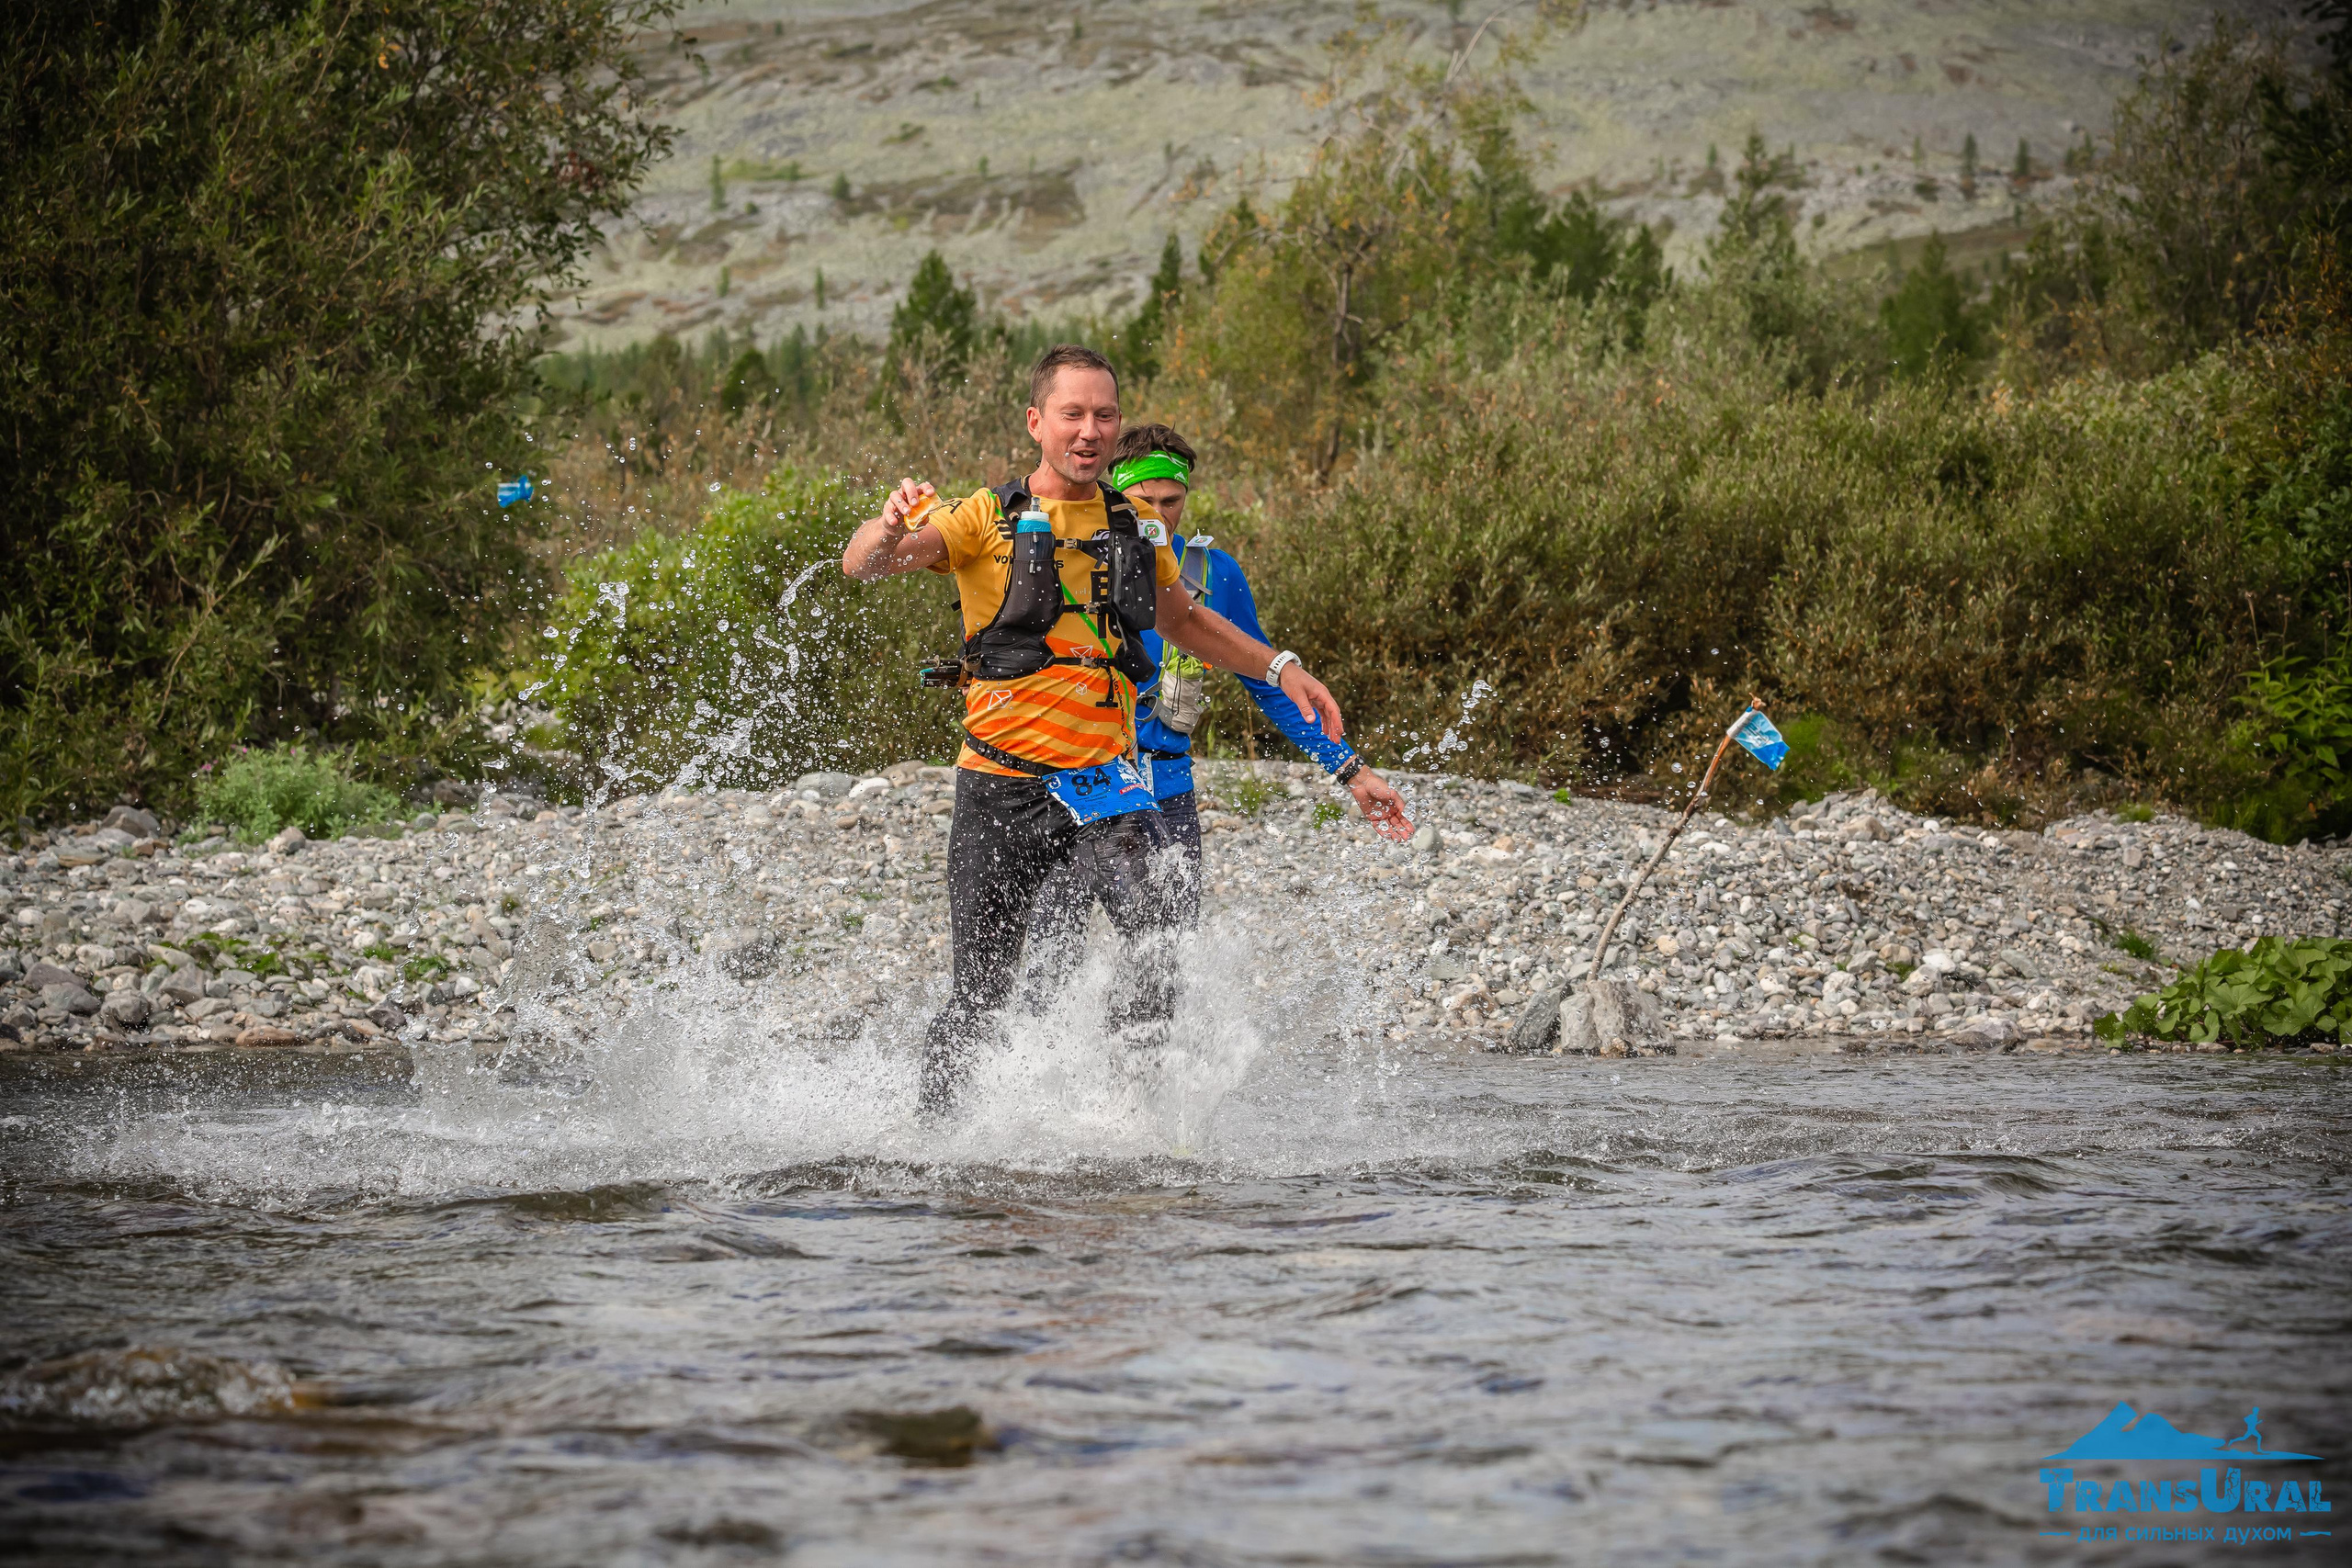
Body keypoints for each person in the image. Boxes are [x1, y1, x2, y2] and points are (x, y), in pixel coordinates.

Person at [840, 344, 1354, 1118]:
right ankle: (936, 1138)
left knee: (1159, 937)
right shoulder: (984, 515)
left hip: (1105, 788)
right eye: (1073, 414)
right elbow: (862, 567)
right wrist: (883, 527)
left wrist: (1280, 665)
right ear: (1036, 422)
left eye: (1104, 415)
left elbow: (1184, 621)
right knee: (981, 993)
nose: (1089, 431)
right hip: (999, 788)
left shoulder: (1136, 522)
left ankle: (1130, 1120)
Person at [1019, 423, 1410, 987]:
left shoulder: (1212, 574)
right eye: (1141, 500)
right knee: (1048, 965)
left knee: (1163, 966)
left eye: (1171, 501)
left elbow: (1271, 685)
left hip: (1167, 793)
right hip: (1080, 786)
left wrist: (1350, 769)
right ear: (1113, 491)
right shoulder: (1067, 556)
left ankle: (1145, 1076)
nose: (1157, 514)